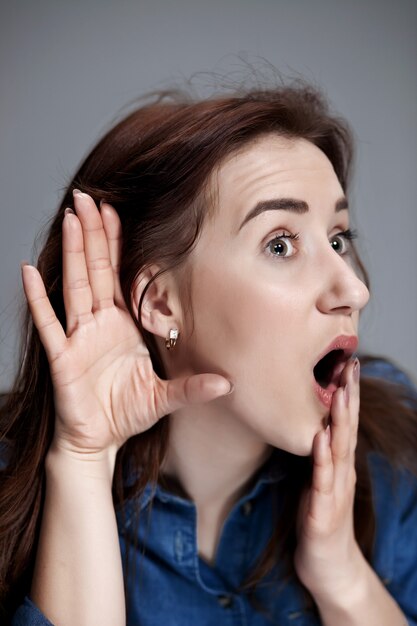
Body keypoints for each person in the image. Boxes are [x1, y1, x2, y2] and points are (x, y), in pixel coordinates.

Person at [0, 82, 416, 626]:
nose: (353, 290)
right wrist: (83, 459)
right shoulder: (13, 493)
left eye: (338, 238)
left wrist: (340, 572)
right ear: (161, 304)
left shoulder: (390, 453)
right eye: (280, 244)